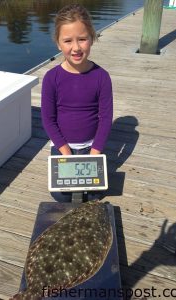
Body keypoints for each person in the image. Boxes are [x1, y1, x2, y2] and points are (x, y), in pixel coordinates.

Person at [41, 4, 113, 202]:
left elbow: (106, 119)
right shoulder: (51, 78)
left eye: (82, 39)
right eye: (67, 41)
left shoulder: (102, 77)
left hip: (92, 147)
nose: (76, 47)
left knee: (94, 194)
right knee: (60, 195)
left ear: (92, 38)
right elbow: (48, 119)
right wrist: (66, 152)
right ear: (58, 43)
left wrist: (94, 153)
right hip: (63, 146)